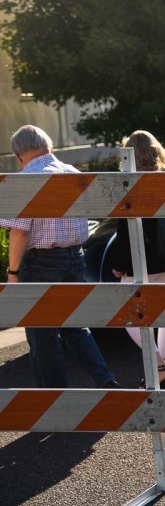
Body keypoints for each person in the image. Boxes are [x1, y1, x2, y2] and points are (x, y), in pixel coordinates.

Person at [0, 126, 119, 388]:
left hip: (41, 261)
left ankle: (54, 401)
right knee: (75, 326)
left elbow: (19, 233)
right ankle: (105, 380)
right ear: (49, 147)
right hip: (75, 257)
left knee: (42, 335)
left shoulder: (25, 179)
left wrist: (13, 273)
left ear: (19, 154)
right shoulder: (73, 173)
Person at [110, 131, 165, 386]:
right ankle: (161, 368)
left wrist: (119, 263)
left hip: (142, 253)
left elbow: (124, 228)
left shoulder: (129, 182)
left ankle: (158, 366)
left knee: (126, 314)